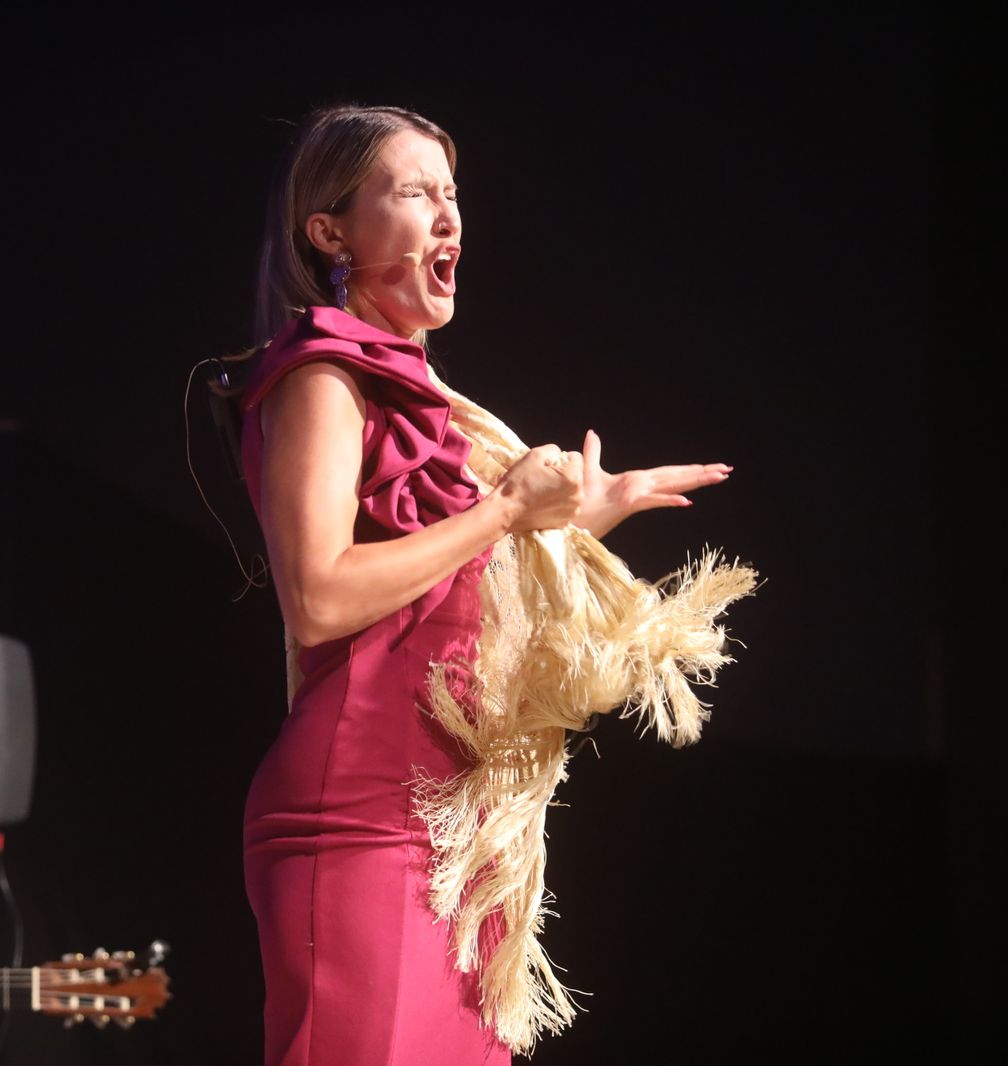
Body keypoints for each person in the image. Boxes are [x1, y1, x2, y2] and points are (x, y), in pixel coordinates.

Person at [233, 105, 755, 1065]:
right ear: (330, 230)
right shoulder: (319, 379)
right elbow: (320, 597)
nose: (448, 216)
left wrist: (583, 522)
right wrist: (508, 511)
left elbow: (449, 581)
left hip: (457, 829)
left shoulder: (427, 399)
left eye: (453, 195)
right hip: (358, 817)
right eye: (414, 192)